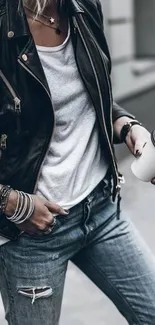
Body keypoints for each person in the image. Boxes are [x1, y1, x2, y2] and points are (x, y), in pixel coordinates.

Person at [0, 0, 155, 324]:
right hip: (32, 236)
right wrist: (12, 203)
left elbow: (91, 94)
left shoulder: (82, 7)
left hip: (102, 210)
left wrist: (129, 126)